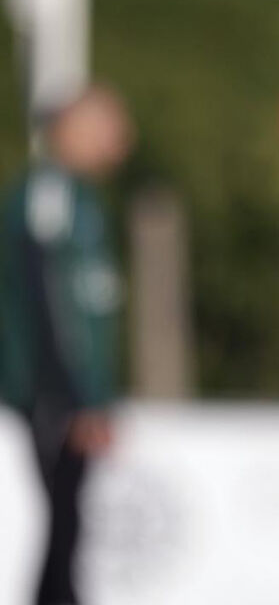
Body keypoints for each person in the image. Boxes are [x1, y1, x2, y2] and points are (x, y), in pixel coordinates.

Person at [0, 86, 132, 605]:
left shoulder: (78, 197)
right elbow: (50, 301)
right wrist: (74, 397)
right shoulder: (48, 195)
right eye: (106, 124)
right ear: (70, 129)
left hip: (63, 391)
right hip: (50, 390)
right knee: (59, 522)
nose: (120, 138)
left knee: (66, 523)